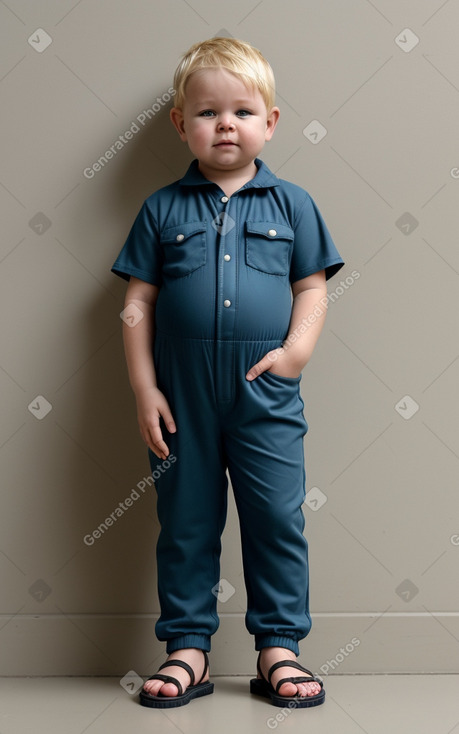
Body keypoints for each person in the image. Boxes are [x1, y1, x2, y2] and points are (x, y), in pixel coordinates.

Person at [111, 36, 344, 709]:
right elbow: (136, 304)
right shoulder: (161, 209)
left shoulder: (291, 205)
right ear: (181, 124)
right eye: (208, 112)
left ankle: (279, 648)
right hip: (180, 394)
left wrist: (295, 353)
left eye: (242, 111)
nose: (225, 125)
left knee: (275, 516)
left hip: (264, 393)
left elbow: (312, 288)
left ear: (269, 123)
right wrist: (143, 387)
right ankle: (187, 646)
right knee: (185, 520)